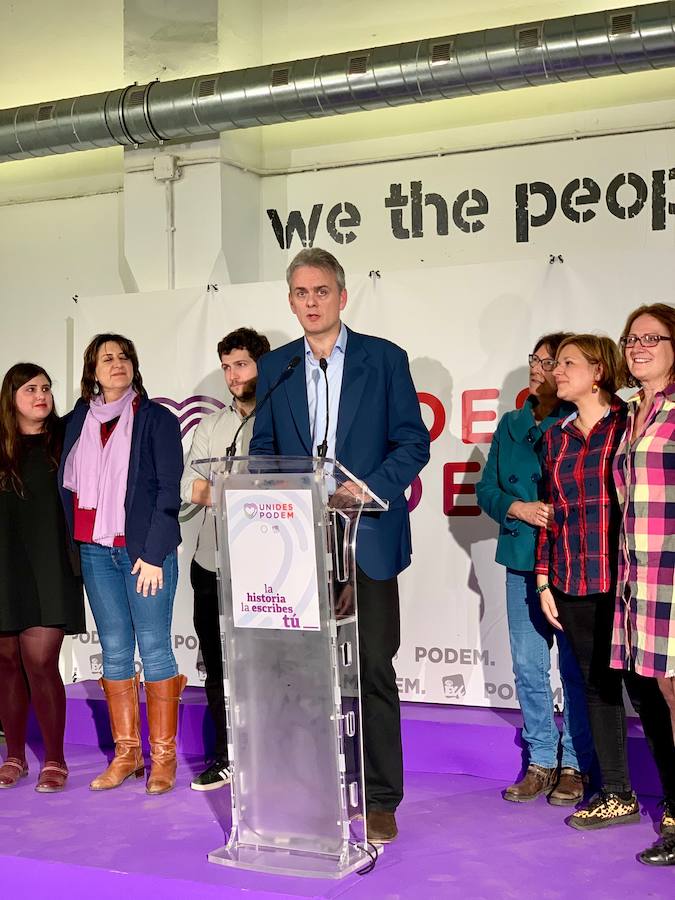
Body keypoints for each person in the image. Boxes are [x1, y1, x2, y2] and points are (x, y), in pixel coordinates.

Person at [249, 247, 430, 844]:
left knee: (374, 668)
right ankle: (312, 789)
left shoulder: (384, 360)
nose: (310, 302)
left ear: (342, 296)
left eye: (320, 291)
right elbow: (263, 455)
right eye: (300, 293)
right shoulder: (275, 367)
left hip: (368, 533)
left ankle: (381, 798)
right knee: (303, 673)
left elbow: (412, 443)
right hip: (299, 543)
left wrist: (366, 489)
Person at [536, 334, 675, 833]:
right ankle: (617, 794)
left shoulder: (630, 423)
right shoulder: (554, 436)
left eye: (568, 362)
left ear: (598, 371)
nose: (556, 370)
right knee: (597, 688)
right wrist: (543, 576)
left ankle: (674, 800)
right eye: (555, 363)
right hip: (573, 579)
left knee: (647, 691)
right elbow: (552, 514)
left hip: (627, 582)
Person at [58, 334, 185, 795]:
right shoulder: (76, 422)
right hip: (94, 549)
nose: (117, 364)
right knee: (113, 650)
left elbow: (169, 491)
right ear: (92, 370)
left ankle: (163, 760)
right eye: (106, 358)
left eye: (124, 357)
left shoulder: (157, 420)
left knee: (153, 648)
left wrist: (153, 554)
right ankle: (127, 755)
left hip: (143, 554)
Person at [477, 334, 593, 806]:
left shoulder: (580, 422)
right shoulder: (511, 424)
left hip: (570, 564)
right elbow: (486, 491)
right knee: (528, 667)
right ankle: (542, 760)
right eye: (536, 358)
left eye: (551, 361)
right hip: (522, 560)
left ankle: (575, 763)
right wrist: (517, 508)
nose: (539, 367)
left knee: (573, 667)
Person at [181, 327, 270, 791]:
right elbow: (185, 488)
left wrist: (222, 493)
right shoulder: (211, 426)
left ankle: (272, 755)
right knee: (217, 667)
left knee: (266, 666)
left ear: (263, 365)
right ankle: (226, 755)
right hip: (211, 564)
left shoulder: (282, 419)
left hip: (269, 571)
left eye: (241, 364)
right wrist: (227, 492)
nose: (233, 375)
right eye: (227, 366)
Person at [610, 303, 675, 867]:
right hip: (639, 577)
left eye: (653, 337)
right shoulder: (631, 411)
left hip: (674, 573)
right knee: (653, 695)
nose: (639, 345)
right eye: (632, 338)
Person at [0, 364, 84, 792]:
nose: (42, 395)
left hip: (51, 566)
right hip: (4, 567)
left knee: (40, 661)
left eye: (47, 388)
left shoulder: (65, 439)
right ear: (10, 396)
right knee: (7, 662)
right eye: (31, 388)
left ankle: (55, 758)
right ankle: (14, 754)